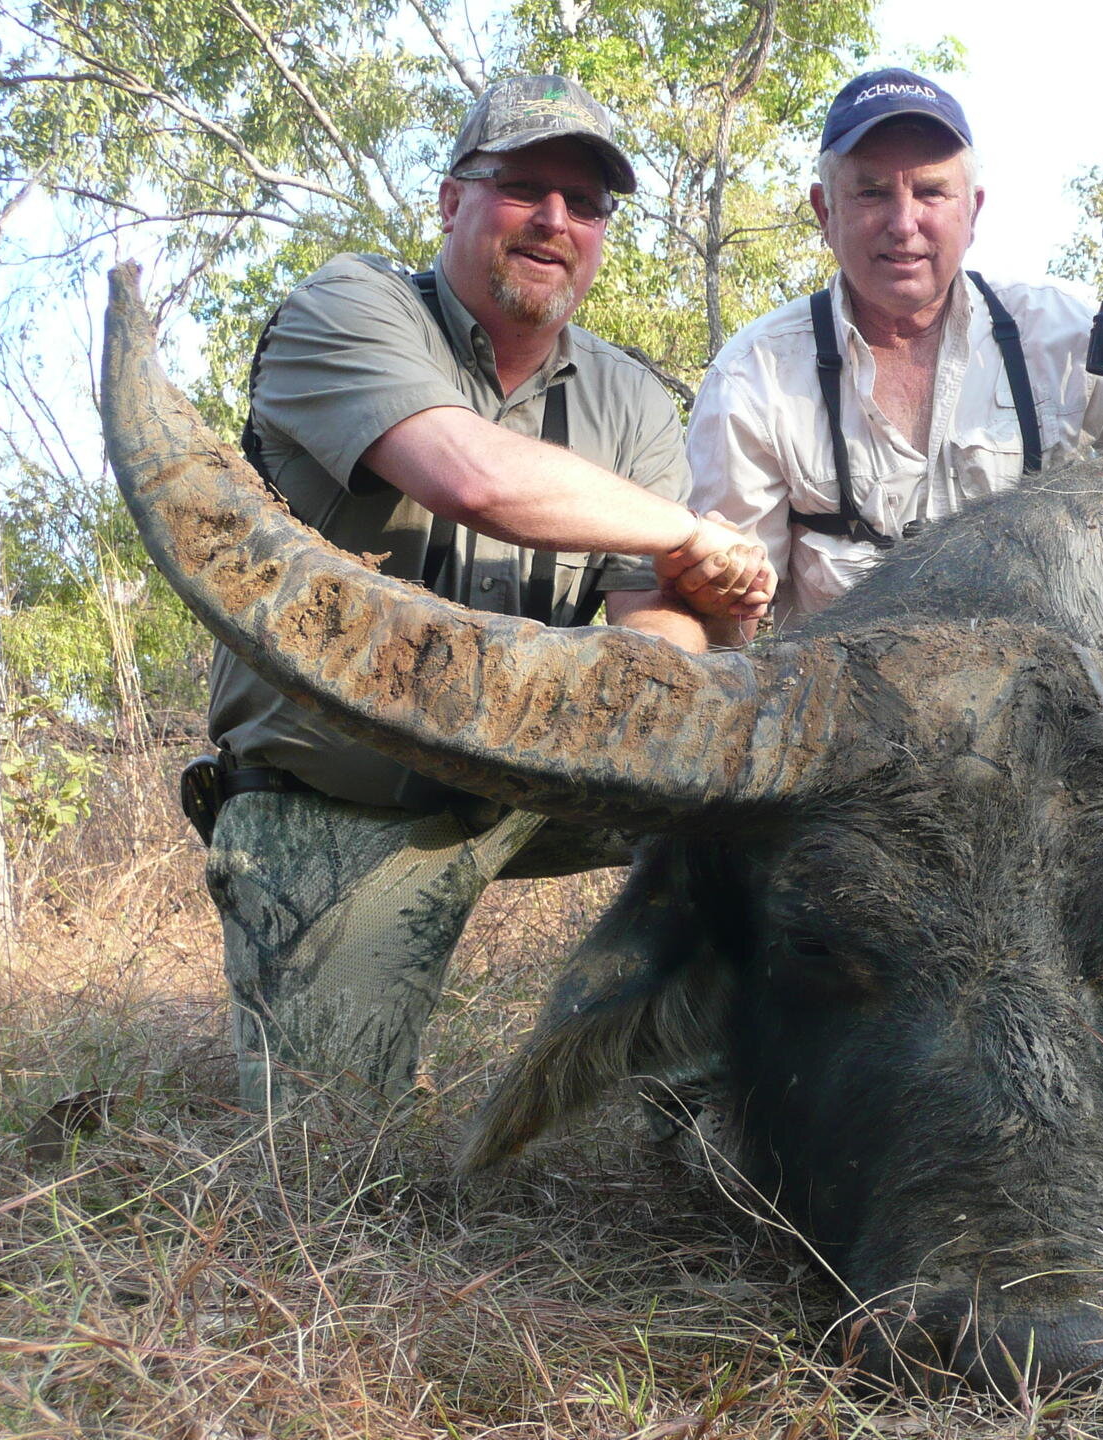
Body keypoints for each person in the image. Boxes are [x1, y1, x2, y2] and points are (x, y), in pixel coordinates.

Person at [204, 74, 774, 1109]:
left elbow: (654, 622)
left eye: (587, 203)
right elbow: (474, 478)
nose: (556, 221)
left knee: (765, 807)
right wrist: (695, 533)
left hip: (532, 782)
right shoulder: (347, 305)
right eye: (524, 187)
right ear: (451, 199)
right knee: (330, 1153)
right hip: (339, 799)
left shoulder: (631, 397)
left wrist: (709, 613)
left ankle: (706, 1082)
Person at [686, 67, 1103, 624]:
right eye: (871, 192)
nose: (903, 222)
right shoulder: (753, 376)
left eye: (932, 192)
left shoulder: (1057, 332)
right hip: (841, 710)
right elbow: (729, 618)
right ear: (824, 210)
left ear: (974, 210)